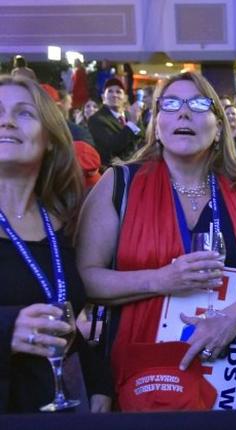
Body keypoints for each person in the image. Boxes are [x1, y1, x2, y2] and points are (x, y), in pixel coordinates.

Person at [76, 71, 236, 411]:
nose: (184, 113)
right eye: (171, 104)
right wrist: (161, 279)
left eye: (198, 104)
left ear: (219, 125)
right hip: (147, 374)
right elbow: (85, 279)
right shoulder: (119, 184)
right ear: (157, 123)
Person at [0, 75, 112, 413]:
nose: (6, 120)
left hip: (56, 406)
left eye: (24, 113)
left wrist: (100, 385)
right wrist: (7, 328)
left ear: (50, 138)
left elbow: (68, 317)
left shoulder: (65, 221)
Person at [88, 77, 144, 167]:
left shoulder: (132, 114)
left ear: (125, 98)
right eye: (110, 91)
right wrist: (131, 124)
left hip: (137, 167)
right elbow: (111, 147)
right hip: (113, 172)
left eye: (118, 92)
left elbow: (142, 139)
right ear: (103, 97)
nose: (114, 95)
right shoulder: (96, 119)